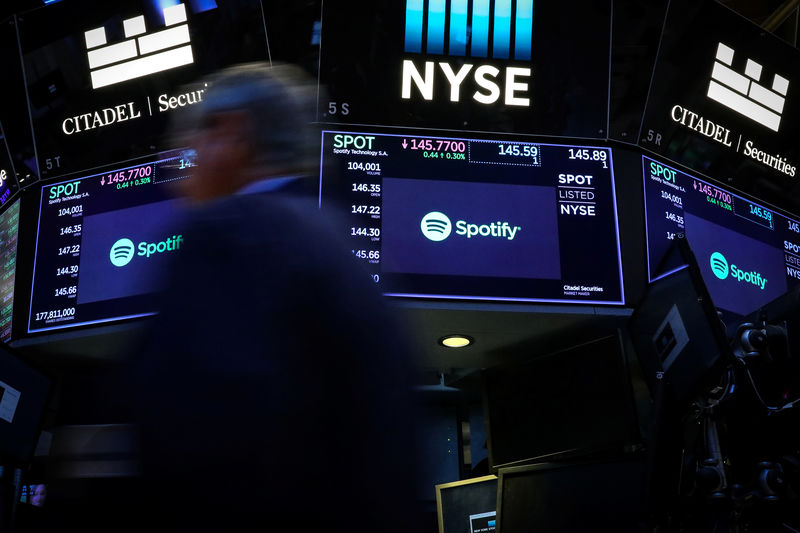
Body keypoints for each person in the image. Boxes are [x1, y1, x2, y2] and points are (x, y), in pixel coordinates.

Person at [122, 63, 421, 532]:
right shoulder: (339, 245)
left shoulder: (227, 234)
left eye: (189, 147)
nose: (181, 172)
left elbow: (191, 440)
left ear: (233, 132)